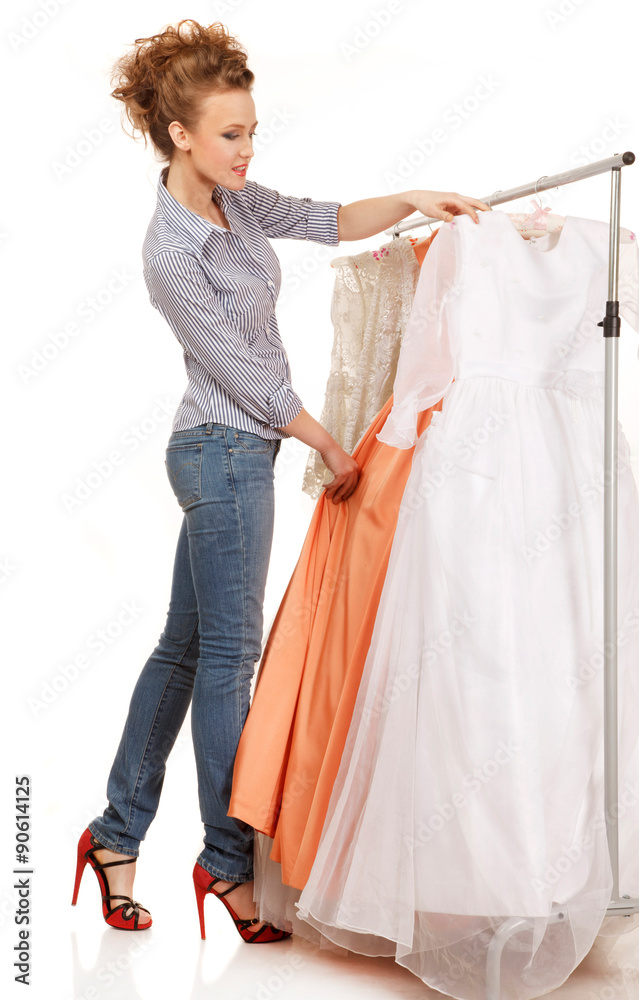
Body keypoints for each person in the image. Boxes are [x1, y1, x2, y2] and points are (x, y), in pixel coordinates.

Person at [69, 17, 490, 940]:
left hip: (232, 451)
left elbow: (324, 219)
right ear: (180, 134)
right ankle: (227, 864)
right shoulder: (171, 249)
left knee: (183, 652)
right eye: (231, 134)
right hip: (222, 451)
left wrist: (412, 198)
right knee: (230, 659)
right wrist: (330, 446)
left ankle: (112, 835)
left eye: (252, 131)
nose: (247, 149)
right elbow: (246, 377)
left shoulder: (240, 202)